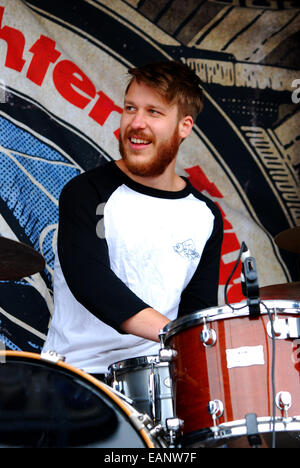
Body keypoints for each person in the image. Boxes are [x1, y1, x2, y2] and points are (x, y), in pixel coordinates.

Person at [42, 61, 223, 380]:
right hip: (80, 378)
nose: (136, 122)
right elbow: (92, 283)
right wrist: (176, 335)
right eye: (130, 108)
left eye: (154, 112)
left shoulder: (205, 216)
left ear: (184, 126)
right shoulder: (88, 192)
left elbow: (197, 310)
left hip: (162, 384)